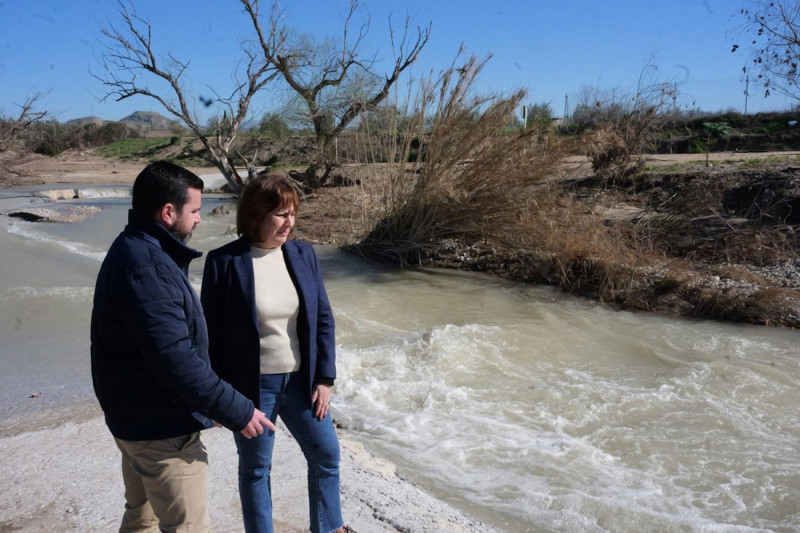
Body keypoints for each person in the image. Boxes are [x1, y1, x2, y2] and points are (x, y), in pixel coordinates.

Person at [91, 161, 274, 533]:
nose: (200, 220)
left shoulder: (135, 249)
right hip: (161, 430)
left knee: (142, 519)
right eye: (195, 211)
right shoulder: (149, 268)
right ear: (168, 212)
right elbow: (176, 361)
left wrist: (211, 402)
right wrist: (237, 409)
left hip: (138, 420)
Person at [201, 174, 346, 533]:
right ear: (255, 214)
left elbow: (323, 317)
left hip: (302, 383)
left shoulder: (303, 254)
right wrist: (217, 399)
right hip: (252, 388)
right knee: (255, 469)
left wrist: (325, 378)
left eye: (293, 213)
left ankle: (328, 529)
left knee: (326, 455)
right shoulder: (224, 262)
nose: (289, 223)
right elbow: (209, 334)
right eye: (281, 214)